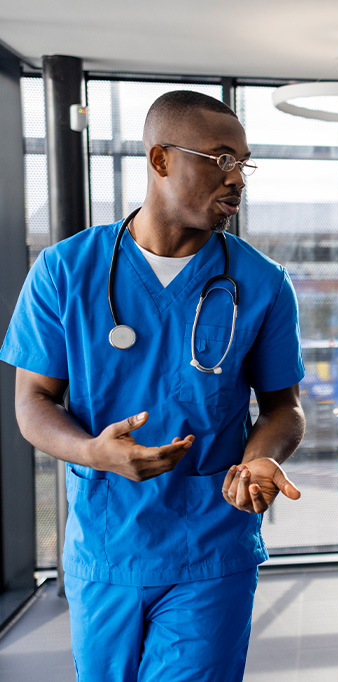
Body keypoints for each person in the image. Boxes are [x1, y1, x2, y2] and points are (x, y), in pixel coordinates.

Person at [1, 90, 306, 682]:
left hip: (212, 544)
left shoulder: (263, 283)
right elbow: (32, 402)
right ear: (161, 159)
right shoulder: (66, 270)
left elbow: (283, 408)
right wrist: (94, 452)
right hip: (106, 545)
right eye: (220, 158)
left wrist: (258, 460)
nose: (236, 178)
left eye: (243, 163)